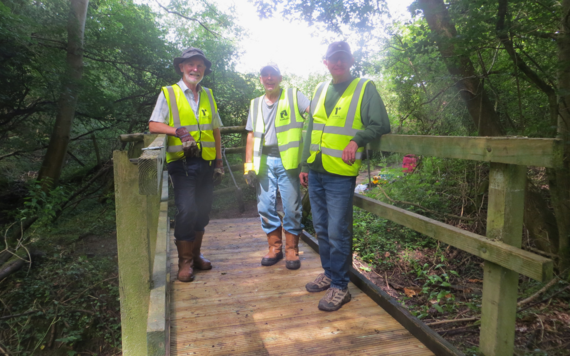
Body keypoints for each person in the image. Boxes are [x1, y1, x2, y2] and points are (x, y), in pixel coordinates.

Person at [300, 41, 391, 311]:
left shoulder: (364, 87)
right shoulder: (320, 88)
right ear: (325, 62)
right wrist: (304, 165)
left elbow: (381, 124)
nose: (337, 63)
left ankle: (341, 286)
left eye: (342, 59)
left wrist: (357, 140)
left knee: (338, 232)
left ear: (350, 61)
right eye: (333, 59)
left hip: (340, 172)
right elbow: (311, 128)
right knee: (321, 228)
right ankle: (329, 273)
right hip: (315, 170)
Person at [148, 47, 224, 283]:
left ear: (204, 69)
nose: (195, 69)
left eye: (199, 65)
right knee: (187, 209)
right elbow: (153, 125)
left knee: (202, 210)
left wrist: (219, 161)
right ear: (181, 67)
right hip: (181, 164)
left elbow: (215, 129)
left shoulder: (209, 95)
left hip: (207, 162)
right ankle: (185, 262)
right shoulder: (169, 93)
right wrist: (177, 131)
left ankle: (197, 254)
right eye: (190, 64)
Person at [244, 63, 310, 269]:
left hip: (288, 161)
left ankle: (292, 250)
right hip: (263, 161)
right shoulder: (255, 103)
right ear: (261, 79)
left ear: (280, 78)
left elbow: (316, 115)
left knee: (291, 207)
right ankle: (275, 248)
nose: (269, 78)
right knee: (265, 206)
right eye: (265, 75)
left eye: (273, 75)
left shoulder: (293, 95)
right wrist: (248, 166)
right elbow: (250, 135)